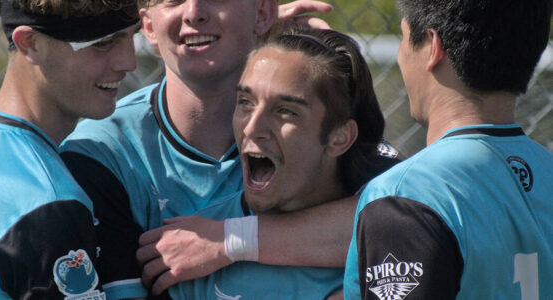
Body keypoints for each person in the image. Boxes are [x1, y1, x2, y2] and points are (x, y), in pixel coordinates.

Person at [59, 0, 372, 299]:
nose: (194, 13)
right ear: (149, 27)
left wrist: (230, 240)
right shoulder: (100, 151)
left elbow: (404, 215)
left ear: (263, 12)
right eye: (173, 0)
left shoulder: (315, 127)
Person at [154, 26, 400, 300]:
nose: (252, 127)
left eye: (285, 111)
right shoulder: (190, 249)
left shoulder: (393, 254)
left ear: (338, 138)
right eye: (245, 102)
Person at [343, 0, 553, 299]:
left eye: (404, 38)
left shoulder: (408, 195)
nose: (402, 56)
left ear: (432, 46)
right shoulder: (546, 172)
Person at [0, 0, 139, 299]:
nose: (128, 62)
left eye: (133, 35)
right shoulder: (48, 202)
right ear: (31, 44)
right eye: (103, 44)